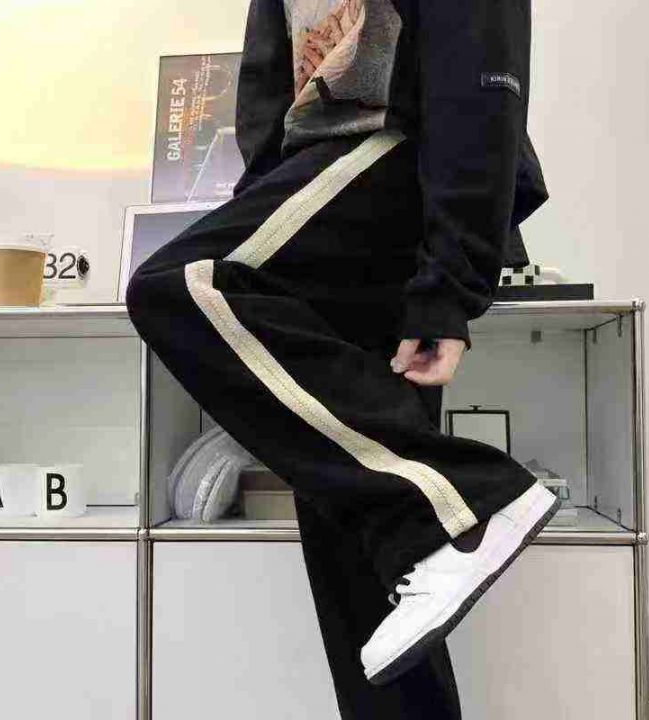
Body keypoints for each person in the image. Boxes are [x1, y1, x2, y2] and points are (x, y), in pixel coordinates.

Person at [127, 0, 557, 716]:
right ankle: (435, 517)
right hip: (323, 180)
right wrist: (267, 197)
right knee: (369, 556)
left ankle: (462, 503)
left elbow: (482, 68)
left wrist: (452, 281)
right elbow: (270, 85)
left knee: (177, 284)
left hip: (390, 153)